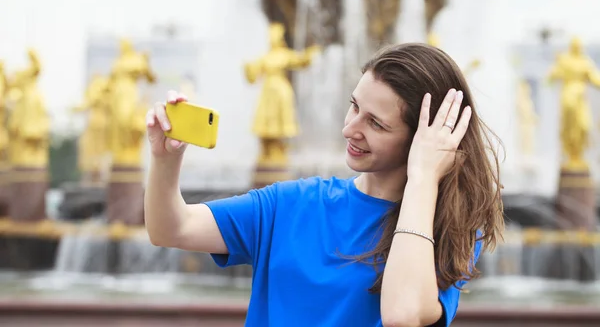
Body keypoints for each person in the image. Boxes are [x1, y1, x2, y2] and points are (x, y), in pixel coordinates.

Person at [144, 43, 505, 327]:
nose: (350, 128)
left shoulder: (449, 231)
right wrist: (165, 159)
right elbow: (171, 228)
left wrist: (425, 177)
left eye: (375, 124)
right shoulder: (292, 204)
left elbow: (402, 315)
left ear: (420, 140)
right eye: (354, 106)